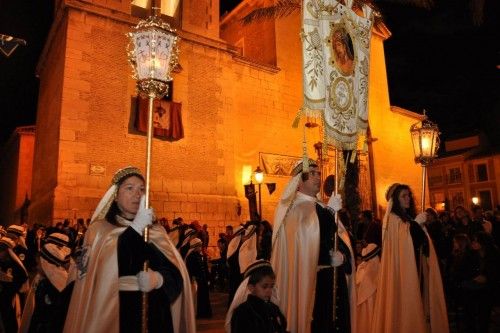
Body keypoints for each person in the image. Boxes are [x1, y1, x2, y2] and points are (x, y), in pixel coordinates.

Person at [63, 166, 195, 333]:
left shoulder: (155, 231)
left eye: (141, 189)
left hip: (155, 314)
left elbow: (175, 273)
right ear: (115, 196)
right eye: (129, 188)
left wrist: (159, 279)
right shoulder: (99, 231)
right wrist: (136, 228)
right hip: (118, 313)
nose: (137, 194)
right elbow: (113, 263)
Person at [271, 158, 355, 332]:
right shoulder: (295, 209)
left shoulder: (320, 206)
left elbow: (337, 239)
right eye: (312, 174)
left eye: (318, 173)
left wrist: (344, 257)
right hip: (315, 283)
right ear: (299, 182)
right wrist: (330, 212)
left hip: (334, 277)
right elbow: (307, 241)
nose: (318, 177)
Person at [372, 183, 449, 333]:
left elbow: (419, 240)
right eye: (404, 196)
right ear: (395, 199)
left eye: (409, 195)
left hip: (417, 266)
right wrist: (415, 225)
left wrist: (418, 229)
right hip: (403, 270)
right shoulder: (393, 219)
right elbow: (404, 240)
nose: (408, 199)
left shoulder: (407, 217)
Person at [19, 232, 75, 333]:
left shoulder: (54, 285)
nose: (37, 266)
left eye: (40, 263)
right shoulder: (44, 280)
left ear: (46, 264)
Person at [226, 260, 287, 333]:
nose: (269, 290)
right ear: (251, 288)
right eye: (264, 287)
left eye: (271, 286)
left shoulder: (274, 308)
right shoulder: (242, 313)